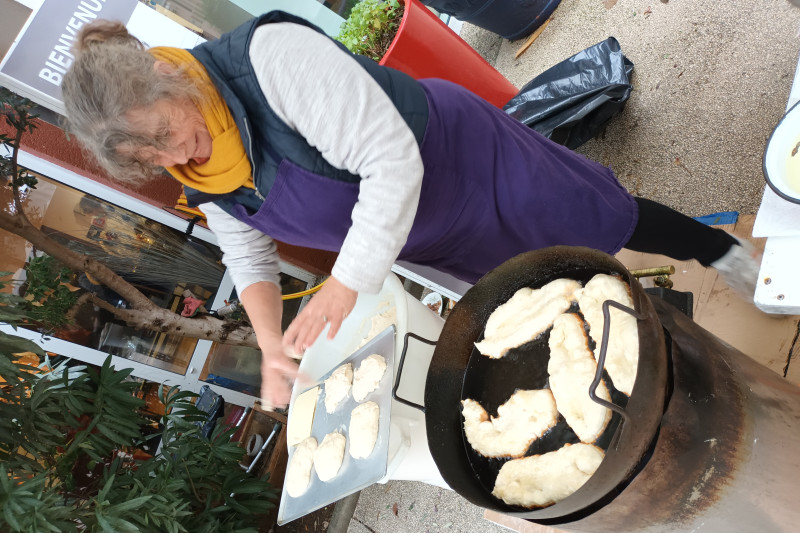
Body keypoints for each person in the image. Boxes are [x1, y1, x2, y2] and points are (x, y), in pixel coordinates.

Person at [61, 14, 759, 408]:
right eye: (151, 160)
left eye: (164, 132)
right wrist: (271, 344)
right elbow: (246, 252)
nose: (174, 153)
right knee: (540, 294)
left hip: (466, 165)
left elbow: (391, 159)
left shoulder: (269, 61)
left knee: (603, 217)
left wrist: (346, 281)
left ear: (166, 73)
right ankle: (657, 346)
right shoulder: (197, 167)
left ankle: (729, 255)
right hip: (420, 233)